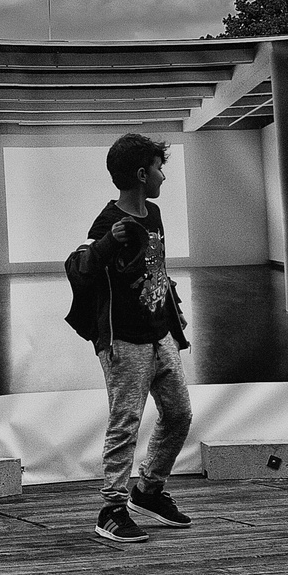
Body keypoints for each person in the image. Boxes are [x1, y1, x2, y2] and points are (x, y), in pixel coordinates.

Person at [64, 133, 194, 543]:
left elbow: (155, 268)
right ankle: (112, 510)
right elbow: (79, 266)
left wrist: (172, 312)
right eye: (159, 168)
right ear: (142, 174)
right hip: (125, 343)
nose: (163, 176)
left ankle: (149, 490)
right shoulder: (107, 223)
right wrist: (107, 243)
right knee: (126, 423)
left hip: (159, 335)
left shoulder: (153, 214)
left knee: (178, 414)